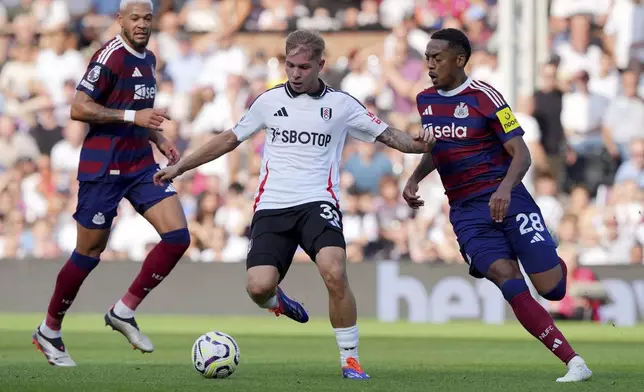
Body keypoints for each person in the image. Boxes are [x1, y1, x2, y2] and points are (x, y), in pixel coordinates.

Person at [154, 29, 434, 379]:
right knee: (258, 286)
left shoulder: (342, 105)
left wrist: (420, 144)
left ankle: (350, 359)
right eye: (290, 66)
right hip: (273, 205)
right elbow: (228, 139)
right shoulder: (268, 102)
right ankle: (277, 301)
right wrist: (181, 167)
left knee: (335, 270)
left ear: (321, 64)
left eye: (303, 67)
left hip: (318, 201)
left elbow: (391, 136)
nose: (296, 74)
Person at [401, 28, 592, 383]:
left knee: (553, 289)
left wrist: (504, 189)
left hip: (509, 198)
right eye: (426, 58)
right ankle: (574, 361)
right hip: (466, 213)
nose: (429, 65)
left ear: (459, 60)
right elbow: (439, 149)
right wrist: (415, 177)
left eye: (436, 58)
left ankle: (547, 250)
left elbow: (522, 153)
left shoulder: (485, 97)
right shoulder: (425, 100)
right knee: (507, 278)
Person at [32, 0, 190, 366]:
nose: (141, 24)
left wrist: (158, 138)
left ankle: (124, 310)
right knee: (88, 254)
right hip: (103, 168)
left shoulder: (149, 59)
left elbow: (139, 112)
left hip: (139, 165)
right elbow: (79, 107)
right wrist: (136, 116)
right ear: (120, 19)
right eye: (134, 18)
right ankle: (49, 329)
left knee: (178, 237)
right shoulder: (110, 56)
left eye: (147, 18)